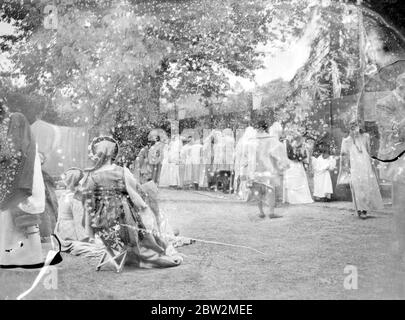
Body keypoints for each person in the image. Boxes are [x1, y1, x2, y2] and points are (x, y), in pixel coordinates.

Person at [79, 136, 182, 268]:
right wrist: (143, 205)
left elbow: (88, 204)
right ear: (113, 154)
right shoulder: (122, 171)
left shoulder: (92, 176)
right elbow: (135, 194)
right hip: (124, 219)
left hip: (104, 224)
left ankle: (125, 252)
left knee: (120, 228)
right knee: (141, 229)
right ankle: (140, 251)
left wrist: (90, 228)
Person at [0, 103, 46, 269]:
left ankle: (29, 259)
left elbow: (17, 152)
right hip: (8, 181)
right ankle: (9, 259)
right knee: (8, 222)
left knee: (22, 221)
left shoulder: (17, 120)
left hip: (21, 179)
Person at [339, 119, 383, 219]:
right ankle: (359, 208)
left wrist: (372, 165)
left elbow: (368, 151)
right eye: (351, 125)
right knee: (357, 187)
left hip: (365, 165)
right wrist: (346, 168)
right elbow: (344, 155)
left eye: (355, 124)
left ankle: (365, 209)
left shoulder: (365, 137)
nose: (354, 127)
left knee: (366, 186)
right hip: (355, 167)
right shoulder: (346, 141)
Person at [248, 121, 289, 218]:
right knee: (270, 190)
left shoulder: (251, 140)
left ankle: (261, 212)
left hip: (255, 169)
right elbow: (278, 150)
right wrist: (283, 164)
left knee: (257, 190)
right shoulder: (271, 140)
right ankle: (271, 212)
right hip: (268, 168)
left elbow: (248, 156)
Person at [54, 168, 90, 242]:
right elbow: (79, 221)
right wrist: (84, 239)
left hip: (61, 231)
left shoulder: (64, 195)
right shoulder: (76, 197)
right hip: (72, 234)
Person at [283, 135, 313, 204]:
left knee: (298, 180)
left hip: (297, 164)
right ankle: (292, 198)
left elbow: (304, 156)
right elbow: (289, 155)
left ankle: (297, 198)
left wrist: (300, 157)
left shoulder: (302, 145)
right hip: (292, 164)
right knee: (293, 180)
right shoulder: (288, 144)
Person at [38, 152, 59, 242]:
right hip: (39, 210)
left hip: (45, 210)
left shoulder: (44, 177)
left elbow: (52, 198)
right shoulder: (29, 176)